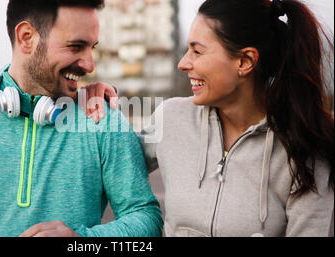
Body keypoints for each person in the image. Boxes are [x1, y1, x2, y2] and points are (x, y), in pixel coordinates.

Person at [0, 0, 163, 237]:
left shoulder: (103, 119)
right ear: (27, 38)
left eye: (92, 47)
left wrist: (81, 242)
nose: (90, 64)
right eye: (76, 46)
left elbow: (146, 218)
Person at [82, 0, 334, 236]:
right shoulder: (171, 118)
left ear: (245, 62)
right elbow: (105, 162)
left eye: (197, 52)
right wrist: (94, 99)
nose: (183, 63)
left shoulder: (306, 153)